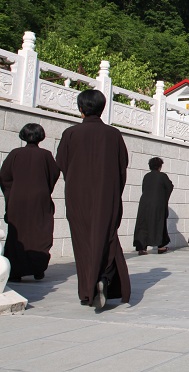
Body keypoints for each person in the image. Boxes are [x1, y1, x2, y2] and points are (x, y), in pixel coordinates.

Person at [55, 90, 130, 308]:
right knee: (106, 236)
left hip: (78, 196)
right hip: (106, 195)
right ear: (103, 108)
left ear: (80, 108)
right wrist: (114, 191)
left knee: (83, 241)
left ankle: (88, 290)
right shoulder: (113, 134)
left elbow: (62, 163)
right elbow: (122, 166)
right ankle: (104, 277)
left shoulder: (70, 133)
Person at [0, 123, 60, 282]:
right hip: (40, 201)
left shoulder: (15, 154)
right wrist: (44, 189)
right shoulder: (46, 155)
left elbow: (4, 177)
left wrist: (11, 194)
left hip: (17, 200)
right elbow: (54, 174)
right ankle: (37, 268)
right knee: (40, 232)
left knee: (17, 235)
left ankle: (16, 271)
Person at [133, 157, 174, 255]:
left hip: (144, 203)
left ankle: (142, 248)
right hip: (157, 204)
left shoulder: (146, 176)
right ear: (160, 166)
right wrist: (163, 197)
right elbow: (169, 187)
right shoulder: (162, 176)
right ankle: (160, 246)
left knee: (143, 224)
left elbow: (144, 189)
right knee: (159, 223)